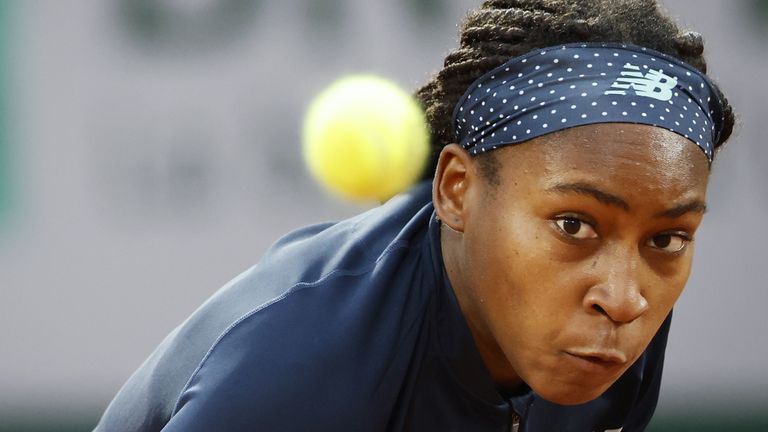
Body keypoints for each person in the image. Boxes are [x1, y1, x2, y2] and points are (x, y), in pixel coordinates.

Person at [95, 0, 736, 431]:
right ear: (456, 190)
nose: (624, 299)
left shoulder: (597, 338)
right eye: (574, 225)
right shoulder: (300, 373)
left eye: (668, 238)